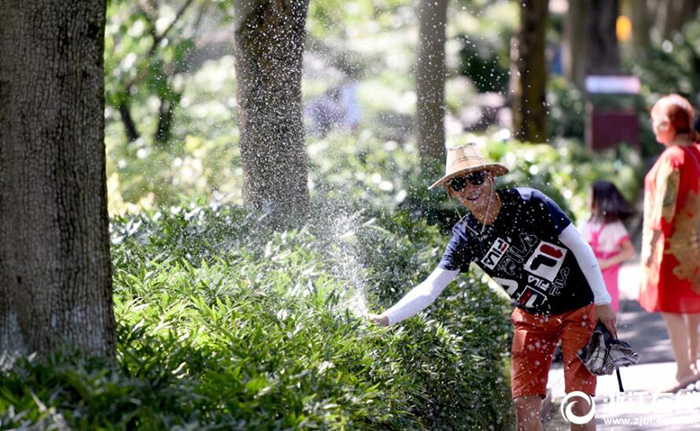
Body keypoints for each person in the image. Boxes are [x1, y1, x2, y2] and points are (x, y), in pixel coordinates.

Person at [370, 143, 616, 431]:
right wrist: (386, 318)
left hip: (578, 309)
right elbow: (431, 288)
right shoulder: (466, 237)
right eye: (459, 183)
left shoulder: (530, 203)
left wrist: (602, 301)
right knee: (524, 406)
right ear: (452, 192)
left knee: (579, 403)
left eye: (476, 178)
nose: (470, 188)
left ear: (491, 177)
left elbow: (580, 246)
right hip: (531, 319)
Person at [638, 94, 700, 393]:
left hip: (672, 247)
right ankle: (692, 362)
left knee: (672, 307)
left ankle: (684, 370)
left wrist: (651, 245)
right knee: (691, 306)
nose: (652, 125)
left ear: (667, 125)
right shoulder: (695, 152)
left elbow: (664, 208)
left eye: (655, 120)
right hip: (694, 242)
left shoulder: (672, 157)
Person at [579, 181, 636, 313]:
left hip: (607, 276)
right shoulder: (588, 224)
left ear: (598, 199)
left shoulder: (614, 226)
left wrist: (607, 262)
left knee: (606, 310)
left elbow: (629, 250)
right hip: (589, 276)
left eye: (590, 196)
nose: (587, 199)